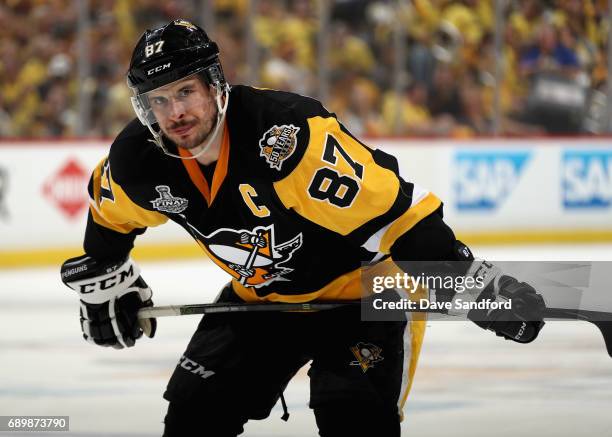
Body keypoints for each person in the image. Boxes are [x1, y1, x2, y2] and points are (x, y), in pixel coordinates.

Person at [60, 19, 545, 437]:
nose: (176, 113)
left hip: (364, 296)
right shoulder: (139, 160)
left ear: (214, 85)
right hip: (261, 303)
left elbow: (403, 222)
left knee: (353, 415)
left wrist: (478, 288)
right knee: (193, 418)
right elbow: (109, 216)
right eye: (159, 100)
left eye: (186, 91)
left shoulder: (287, 139)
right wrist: (106, 279)